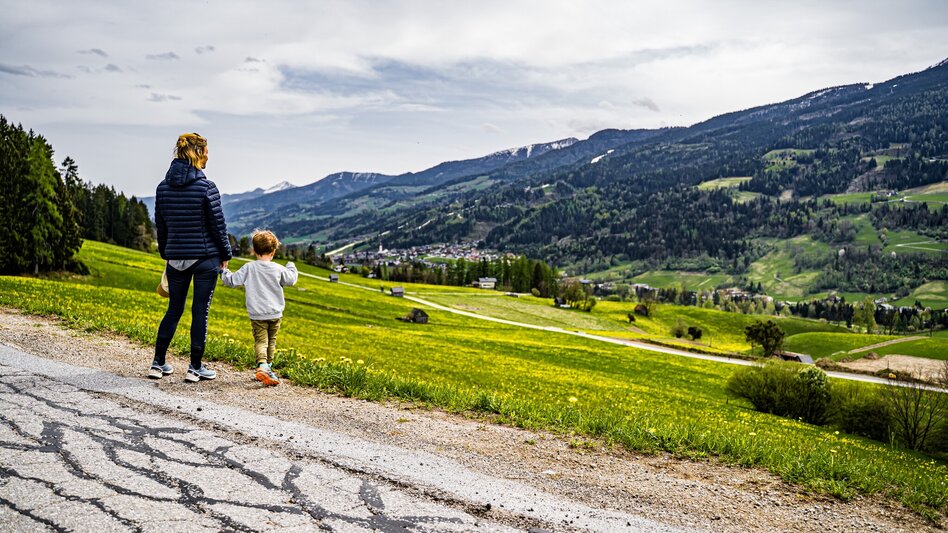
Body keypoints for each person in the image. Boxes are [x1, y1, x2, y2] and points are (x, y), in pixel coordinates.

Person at [149, 133, 232, 382]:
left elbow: (160, 226)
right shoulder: (206, 187)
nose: (209, 157)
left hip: (175, 258)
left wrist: (167, 252)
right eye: (206, 152)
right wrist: (225, 254)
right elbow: (218, 225)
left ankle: (157, 363)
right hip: (204, 258)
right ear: (198, 153)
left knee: (173, 309)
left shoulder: (162, 188)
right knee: (199, 311)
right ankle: (195, 368)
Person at [220, 230, 298, 386]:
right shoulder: (278, 268)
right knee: (271, 341)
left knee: (261, 341)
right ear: (274, 251)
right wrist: (291, 266)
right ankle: (267, 367)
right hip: (275, 313)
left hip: (257, 314)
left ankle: (263, 366)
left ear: (253, 250)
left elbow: (233, 281)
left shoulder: (249, 267)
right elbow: (291, 280)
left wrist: (224, 270)